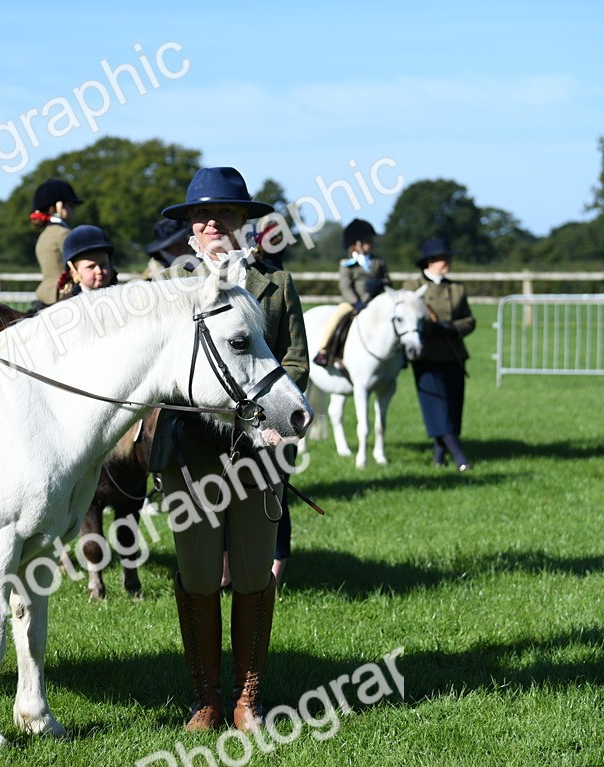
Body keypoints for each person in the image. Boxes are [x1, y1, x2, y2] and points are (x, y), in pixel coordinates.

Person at [147, 166, 309, 732]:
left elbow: (293, 362)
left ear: (245, 221)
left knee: (252, 575)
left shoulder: (276, 284)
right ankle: (205, 697)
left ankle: (247, 698)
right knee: (196, 576)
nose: (212, 222)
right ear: (190, 226)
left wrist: (265, 418)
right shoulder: (166, 289)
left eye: (225, 213)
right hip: (187, 453)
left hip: (258, 455)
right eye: (202, 214)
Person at [406, 237, 475, 471]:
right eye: (442, 258)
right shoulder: (412, 286)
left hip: (454, 354)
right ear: (429, 261)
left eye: (448, 258)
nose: (447, 262)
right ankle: (459, 457)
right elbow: (406, 319)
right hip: (427, 355)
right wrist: (429, 328)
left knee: (453, 407)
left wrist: (452, 328)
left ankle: (439, 453)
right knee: (437, 407)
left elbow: (470, 320)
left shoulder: (457, 288)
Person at [314, 218, 392, 368]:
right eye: (368, 241)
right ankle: (323, 350)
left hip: (375, 302)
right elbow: (345, 286)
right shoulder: (346, 264)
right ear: (357, 244)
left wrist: (380, 283)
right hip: (352, 302)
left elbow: (388, 280)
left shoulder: (379, 262)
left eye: (371, 240)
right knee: (337, 318)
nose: (372, 243)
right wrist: (356, 301)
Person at [30, 178, 82, 310]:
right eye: (71, 205)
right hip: (63, 295)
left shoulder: (43, 235)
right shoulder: (64, 233)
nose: (74, 210)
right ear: (58, 207)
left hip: (43, 294)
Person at [56, 224, 116, 301]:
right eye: (91, 266)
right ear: (74, 273)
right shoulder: (71, 303)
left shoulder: (119, 297)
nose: (99, 271)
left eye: (103, 265)